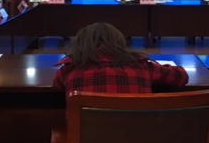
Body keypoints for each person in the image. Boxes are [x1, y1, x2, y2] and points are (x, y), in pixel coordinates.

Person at [52, 22, 188, 97]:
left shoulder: (70, 68)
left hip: (86, 139)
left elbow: (56, 85)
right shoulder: (142, 66)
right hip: (139, 138)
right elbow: (181, 77)